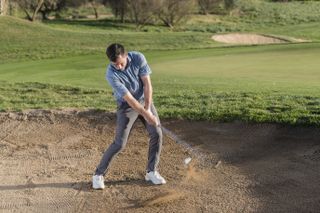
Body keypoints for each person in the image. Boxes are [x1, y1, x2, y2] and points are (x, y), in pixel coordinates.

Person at [92, 43, 166, 189]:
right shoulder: (111, 74)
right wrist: (146, 114)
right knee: (120, 143)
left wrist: (148, 108)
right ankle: (98, 175)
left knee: (156, 133)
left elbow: (147, 84)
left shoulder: (138, 57)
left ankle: (151, 172)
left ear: (126, 56)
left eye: (120, 63)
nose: (118, 67)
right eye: (115, 64)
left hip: (145, 100)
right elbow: (130, 100)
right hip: (126, 106)